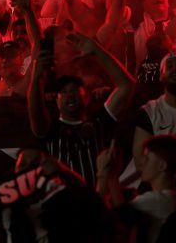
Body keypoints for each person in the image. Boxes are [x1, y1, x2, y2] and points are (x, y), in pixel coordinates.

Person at [26, 27, 135, 188]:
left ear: (87, 96)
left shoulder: (100, 122)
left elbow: (127, 86)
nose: (70, 94)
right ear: (57, 102)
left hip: (98, 202)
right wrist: (36, 78)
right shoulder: (51, 129)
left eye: (75, 90)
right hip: (65, 205)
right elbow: (34, 110)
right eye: (63, 92)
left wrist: (97, 51)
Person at [132, 52, 176, 166]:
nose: (175, 69)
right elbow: (141, 163)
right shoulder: (149, 112)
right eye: (169, 66)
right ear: (161, 76)